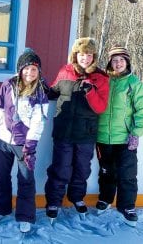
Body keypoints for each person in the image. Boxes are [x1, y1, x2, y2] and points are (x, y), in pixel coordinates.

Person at [44, 37, 109, 220]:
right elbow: (53, 91)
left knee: (82, 168)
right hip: (64, 131)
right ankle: (54, 201)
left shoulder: (101, 77)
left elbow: (100, 107)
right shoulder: (65, 71)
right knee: (60, 168)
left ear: (93, 57)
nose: (85, 58)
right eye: (82, 54)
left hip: (86, 133)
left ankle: (77, 197)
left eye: (89, 55)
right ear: (75, 54)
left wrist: (91, 91)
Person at [0, 48, 49, 233]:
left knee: (26, 179)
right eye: (27, 68)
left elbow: (39, 120)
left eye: (34, 70)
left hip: (25, 145)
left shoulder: (39, 91)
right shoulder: (8, 85)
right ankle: (1, 208)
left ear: (39, 72)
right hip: (4, 141)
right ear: (20, 69)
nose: (30, 73)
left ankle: (25, 216)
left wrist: (31, 144)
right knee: (1, 176)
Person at [96, 46, 143, 227]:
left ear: (127, 62)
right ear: (110, 62)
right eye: (114, 60)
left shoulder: (133, 83)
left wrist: (136, 133)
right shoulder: (104, 81)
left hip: (125, 138)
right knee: (106, 172)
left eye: (121, 60)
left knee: (127, 174)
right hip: (103, 136)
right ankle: (105, 198)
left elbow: (141, 110)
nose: (117, 63)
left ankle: (127, 206)